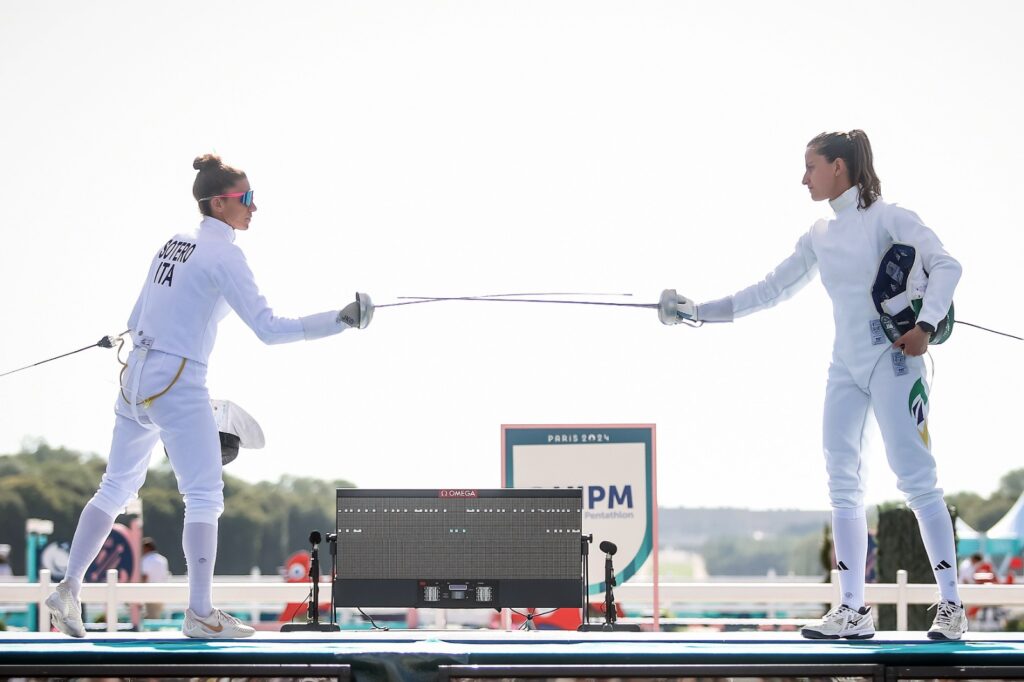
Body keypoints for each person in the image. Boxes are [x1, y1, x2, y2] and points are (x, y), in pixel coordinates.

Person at [46, 154, 373, 639]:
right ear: (219, 202)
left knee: (114, 488)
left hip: (135, 377)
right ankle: (200, 613)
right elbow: (268, 329)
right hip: (179, 381)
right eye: (246, 199)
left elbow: (137, 314)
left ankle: (68, 589)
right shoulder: (226, 255)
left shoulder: (172, 244)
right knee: (203, 495)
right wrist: (340, 321)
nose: (254, 207)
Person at [661, 130, 966, 641]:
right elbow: (769, 289)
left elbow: (947, 267)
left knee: (916, 480)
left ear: (839, 167)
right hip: (845, 368)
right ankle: (852, 610)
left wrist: (926, 326)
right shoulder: (821, 234)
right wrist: (696, 313)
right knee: (842, 483)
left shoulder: (889, 218)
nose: (804, 178)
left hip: (894, 363)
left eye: (811, 167)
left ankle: (952, 607)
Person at [139, 537, 170, 619]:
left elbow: (145, 577)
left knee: (151, 617)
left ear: (147, 548)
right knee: (156, 616)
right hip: (162, 591)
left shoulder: (146, 559)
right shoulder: (162, 559)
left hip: (150, 592)